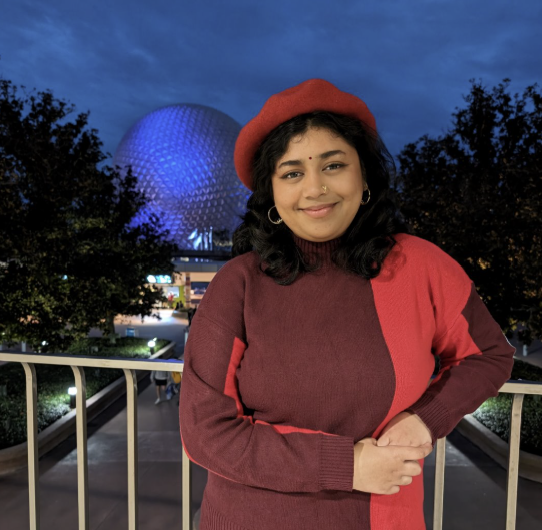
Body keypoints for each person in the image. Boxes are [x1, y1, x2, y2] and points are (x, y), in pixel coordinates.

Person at [179, 79, 515, 530]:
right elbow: (204, 433)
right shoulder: (237, 284)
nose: (315, 188)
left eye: (333, 165)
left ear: (365, 177)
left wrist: (426, 418)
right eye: (292, 172)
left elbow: (488, 355)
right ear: (273, 195)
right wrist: (347, 466)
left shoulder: (420, 266)